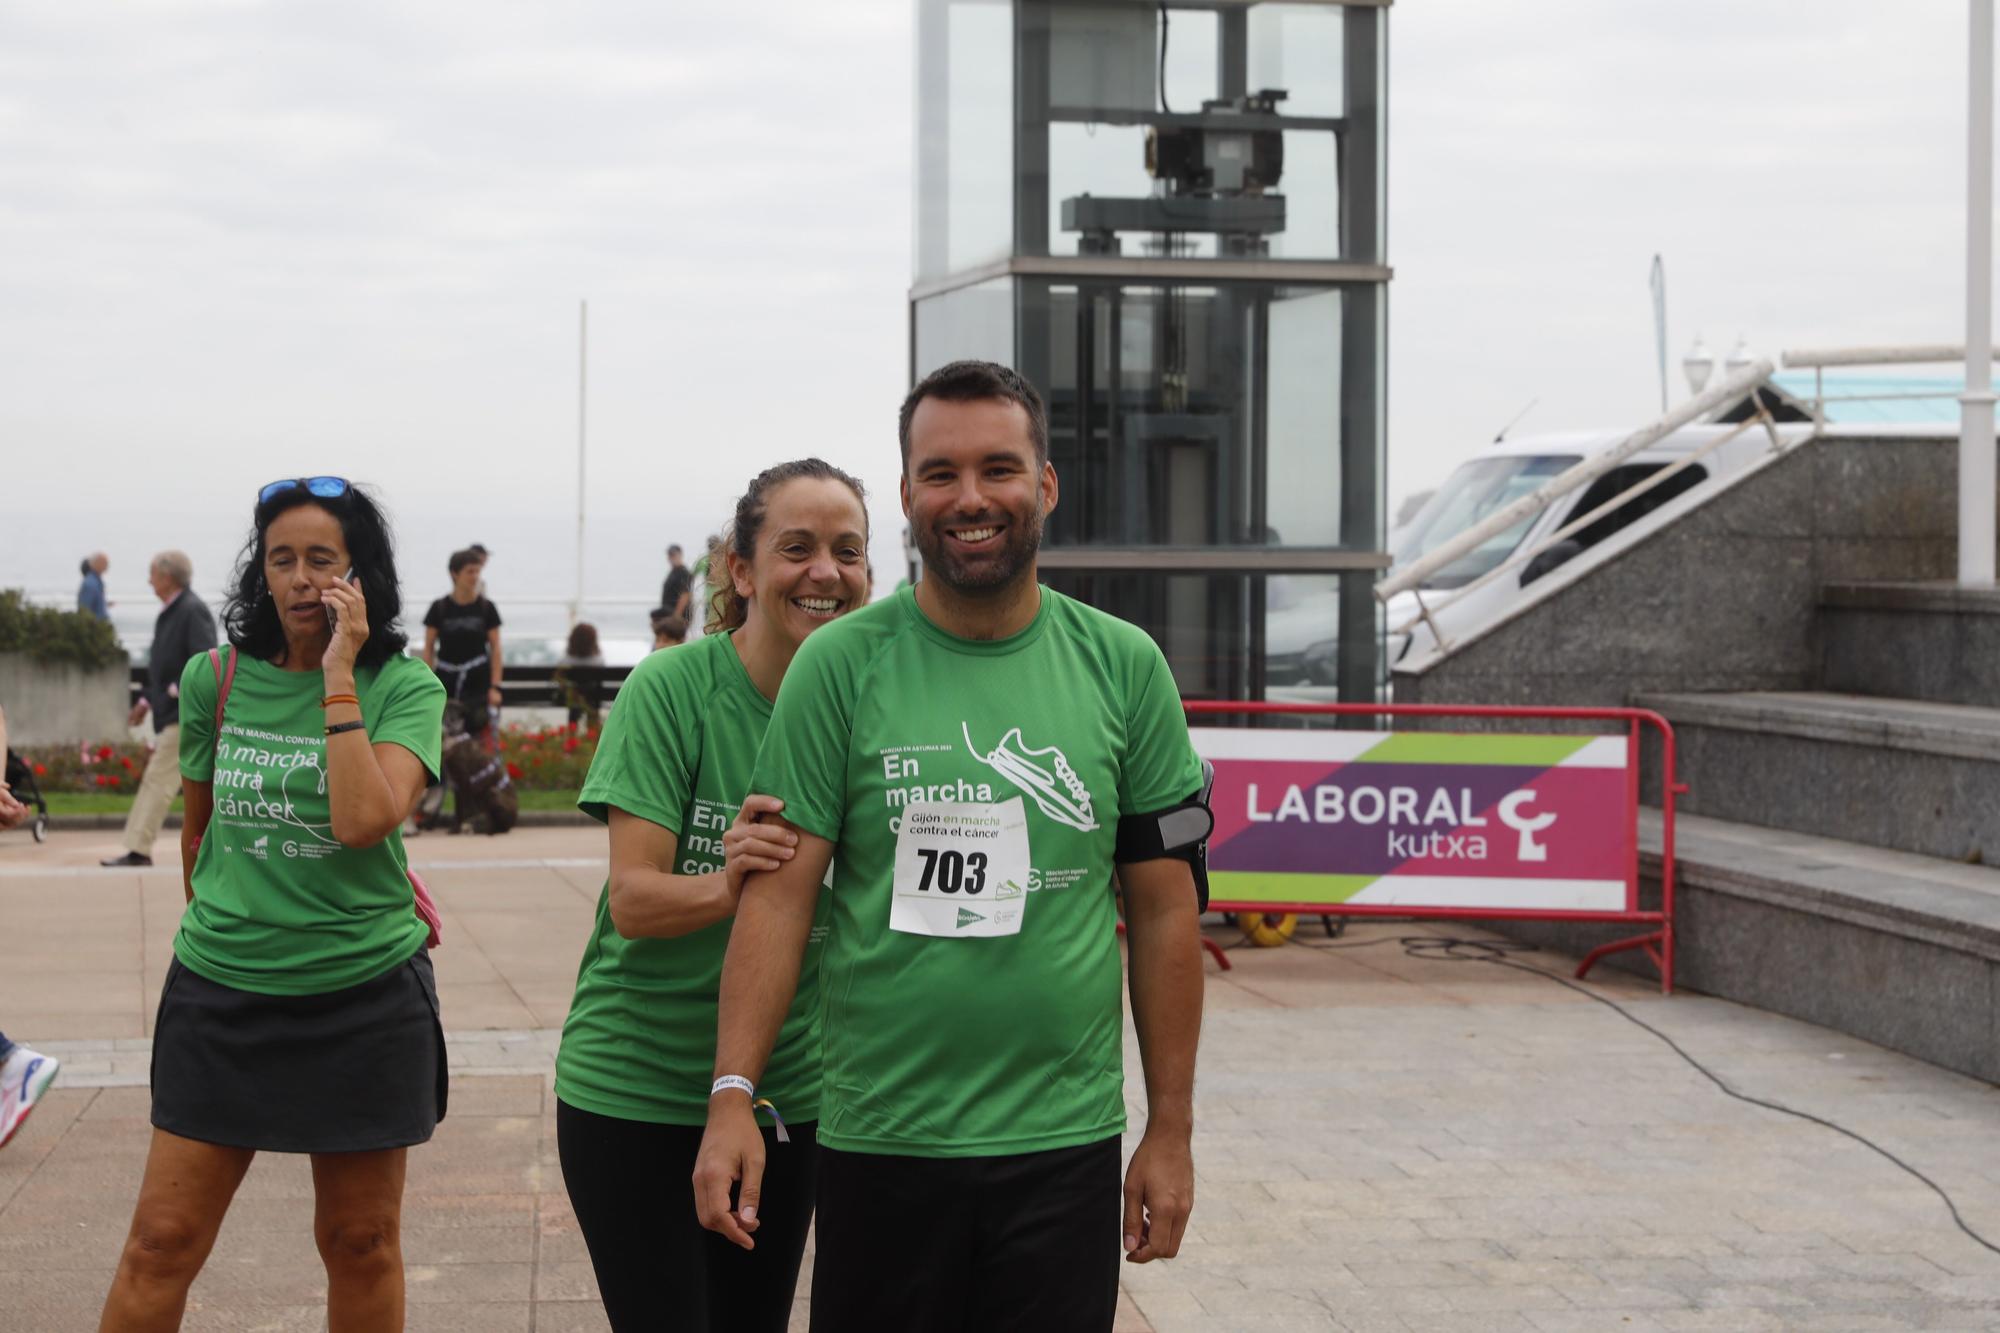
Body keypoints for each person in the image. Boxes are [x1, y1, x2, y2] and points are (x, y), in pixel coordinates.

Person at [693, 361, 1208, 1332]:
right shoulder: (838, 666)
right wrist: (732, 1097)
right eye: (939, 473)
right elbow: (778, 897)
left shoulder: (1122, 665)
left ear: (1044, 486)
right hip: (884, 1143)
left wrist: (1169, 1130)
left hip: (1061, 1147)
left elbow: (1163, 906)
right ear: (905, 495)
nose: (969, 498)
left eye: (997, 469)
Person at [97, 476, 447, 1331]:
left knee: (360, 1241)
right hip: (222, 999)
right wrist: (226, 931)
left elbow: (365, 820)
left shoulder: (405, 689)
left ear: (361, 576)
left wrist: (336, 676)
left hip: (364, 997)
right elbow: (198, 833)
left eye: (321, 560)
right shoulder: (215, 677)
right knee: (160, 1242)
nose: (297, 578)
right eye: (280, 559)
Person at [556, 459, 870, 1333]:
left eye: (848, 551)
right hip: (637, 1089)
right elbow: (634, 901)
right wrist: (731, 882)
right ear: (740, 570)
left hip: (788, 1091)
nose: (825, 572)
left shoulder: (872, 710)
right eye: (796, 548)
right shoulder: (675, 690)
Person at [102, 551, 219, 867]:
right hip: (172, 712)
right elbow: (163, 666)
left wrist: (171, 693)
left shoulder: (190, 610)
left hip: (186, 717)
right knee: (162, 781)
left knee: (158, 781)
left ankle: (138, 850)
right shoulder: (173, 610)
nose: (149, 581)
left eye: (152, 574)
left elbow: (204, 662)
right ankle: (138, 848)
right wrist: (145, 701)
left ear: (167, 578)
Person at [421, 548, 504, 743]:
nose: (475, 576)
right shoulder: (439, 608)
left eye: (477, 571)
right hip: (446, 681)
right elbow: (428, 648)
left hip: (478, 685)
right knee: (443, 737)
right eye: (469, 571)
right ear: (454, 573)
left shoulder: (487, 608)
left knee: (477, 737)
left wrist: (496, 687)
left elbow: (496, 649)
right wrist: (428, 682)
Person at [555, 622, 608, 729]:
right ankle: (593, 737)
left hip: (571, 699)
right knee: (591, 701)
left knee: (574, 702)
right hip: (593, 699)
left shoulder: (565, 661)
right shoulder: (599, 661)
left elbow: (560, 684)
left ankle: (572, 736)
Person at [661, 543, 693, 622]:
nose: (671, 557)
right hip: (668, 615)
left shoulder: (684, 573)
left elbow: (685, 595)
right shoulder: (672, 572)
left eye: (673, 555)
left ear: (680, 555)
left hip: (678, 617)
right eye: (669, 555)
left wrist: (676, 616)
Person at [78, 552, 110, 620]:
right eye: (105, 563)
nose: (107, 566)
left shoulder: (96, 581)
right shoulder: (90, 583)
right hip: (94, 626)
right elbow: (85, 609)